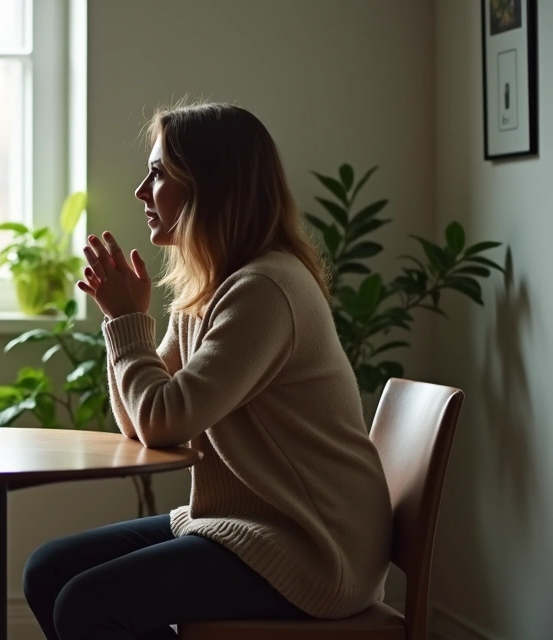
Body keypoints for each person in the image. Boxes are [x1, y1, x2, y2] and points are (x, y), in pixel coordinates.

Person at [21, 102, 393, 640]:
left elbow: (163, 422)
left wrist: (126, 321)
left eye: (158, 174)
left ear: (209, 187)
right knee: (48, 571)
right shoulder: (211, 289)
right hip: (244, 526)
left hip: (311, 549)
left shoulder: (264, 289)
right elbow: (139, 422)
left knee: (86, 603)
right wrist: (121, 323)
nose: (141, 192)